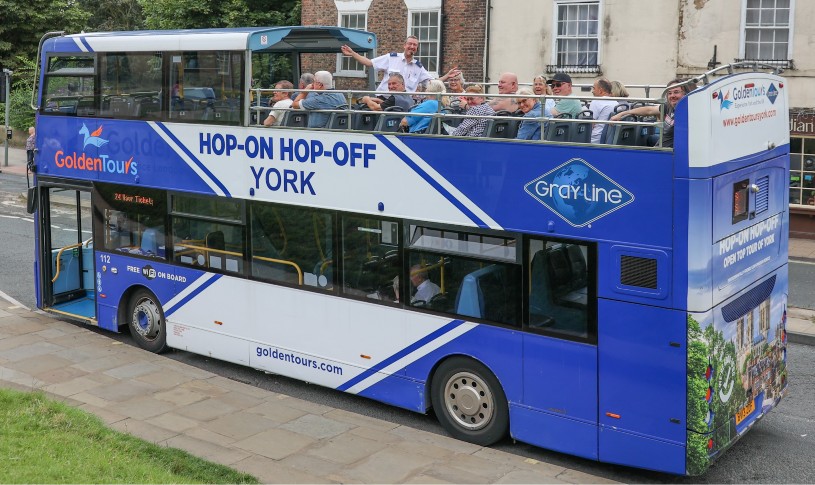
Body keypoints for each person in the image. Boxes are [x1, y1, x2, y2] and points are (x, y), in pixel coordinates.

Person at [341, 36, 460, 92]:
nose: (412, 47)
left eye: (415, 45)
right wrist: (353, 53)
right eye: (410, 44)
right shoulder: (392, 58)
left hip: (403, 104)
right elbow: (369, 62)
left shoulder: (418, 67)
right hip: (384, 99)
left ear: (417, 49)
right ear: (404, 45)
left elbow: (431, 83)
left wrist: (447, 76)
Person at [610, 78, 691, 148]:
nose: (672, 95)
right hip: (660, 145)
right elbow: (649, 110)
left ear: (685, 94)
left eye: (676, 92)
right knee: (649, 139)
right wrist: (622, 114)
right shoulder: (668, 106)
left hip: (668, 152)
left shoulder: (687, 111)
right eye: (669, 93)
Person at [588, 78, 618, 143]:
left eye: (594, 88)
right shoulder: (616, 103)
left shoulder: (596, 101)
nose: (592, 91)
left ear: (600, 90)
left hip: (594, 139)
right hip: (610, 139)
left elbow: (590, 125)